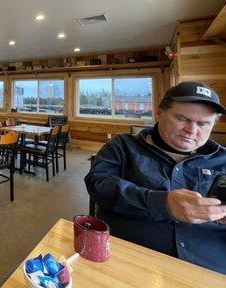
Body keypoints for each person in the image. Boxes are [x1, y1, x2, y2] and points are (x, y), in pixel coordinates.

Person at [85, 82, 226, 274]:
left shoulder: (222, 160)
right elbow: (98, 183)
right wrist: (162, 202)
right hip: (128, 261)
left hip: (210, 269)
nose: (192, 130)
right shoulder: (124, 146)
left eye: (203, 124)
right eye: (182, 119)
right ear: (159, 114)